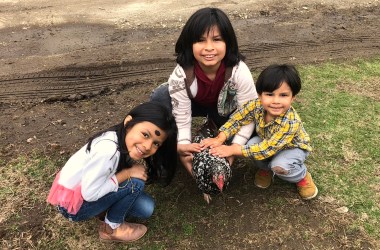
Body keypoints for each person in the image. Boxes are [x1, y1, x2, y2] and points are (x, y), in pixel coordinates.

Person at [46, 102, 178, 242]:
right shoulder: (107, 151)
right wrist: (127, 174)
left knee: (146, 208)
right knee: (136, 184)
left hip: (82, 193)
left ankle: (104, 210)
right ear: (129, 122)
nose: (147, 146)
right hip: (76, 207)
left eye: (156, 143)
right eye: (145, 135)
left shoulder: (119, 137)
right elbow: (89, 194)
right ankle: (112, 228)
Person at [150, 7, 257, 175]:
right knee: (161, 96)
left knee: (255, 128)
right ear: (189, 44)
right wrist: (185, 148)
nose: (209, 48)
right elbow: (182, 116)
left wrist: (235, 149)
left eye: (216, 39)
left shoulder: (239, 71)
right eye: (200, 40)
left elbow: (248, 113)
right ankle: (168, 149)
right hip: (195, 104)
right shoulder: (181, 74)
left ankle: (216, 128)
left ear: (228, 42)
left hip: (224, 111)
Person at [201, 64, 318, 200]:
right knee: (252, 144)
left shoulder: (290, 122)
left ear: (293, 98)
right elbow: (237, 119)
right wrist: (220, 138)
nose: (276, 101)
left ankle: (301, 176)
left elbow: (266, 149)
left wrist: (233, 149)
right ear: (260, 95)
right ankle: (265, 169)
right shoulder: (256, 105)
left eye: (283, 95)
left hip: (292, 148)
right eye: (269, 94)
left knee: (279, 166)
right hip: (267, 142)